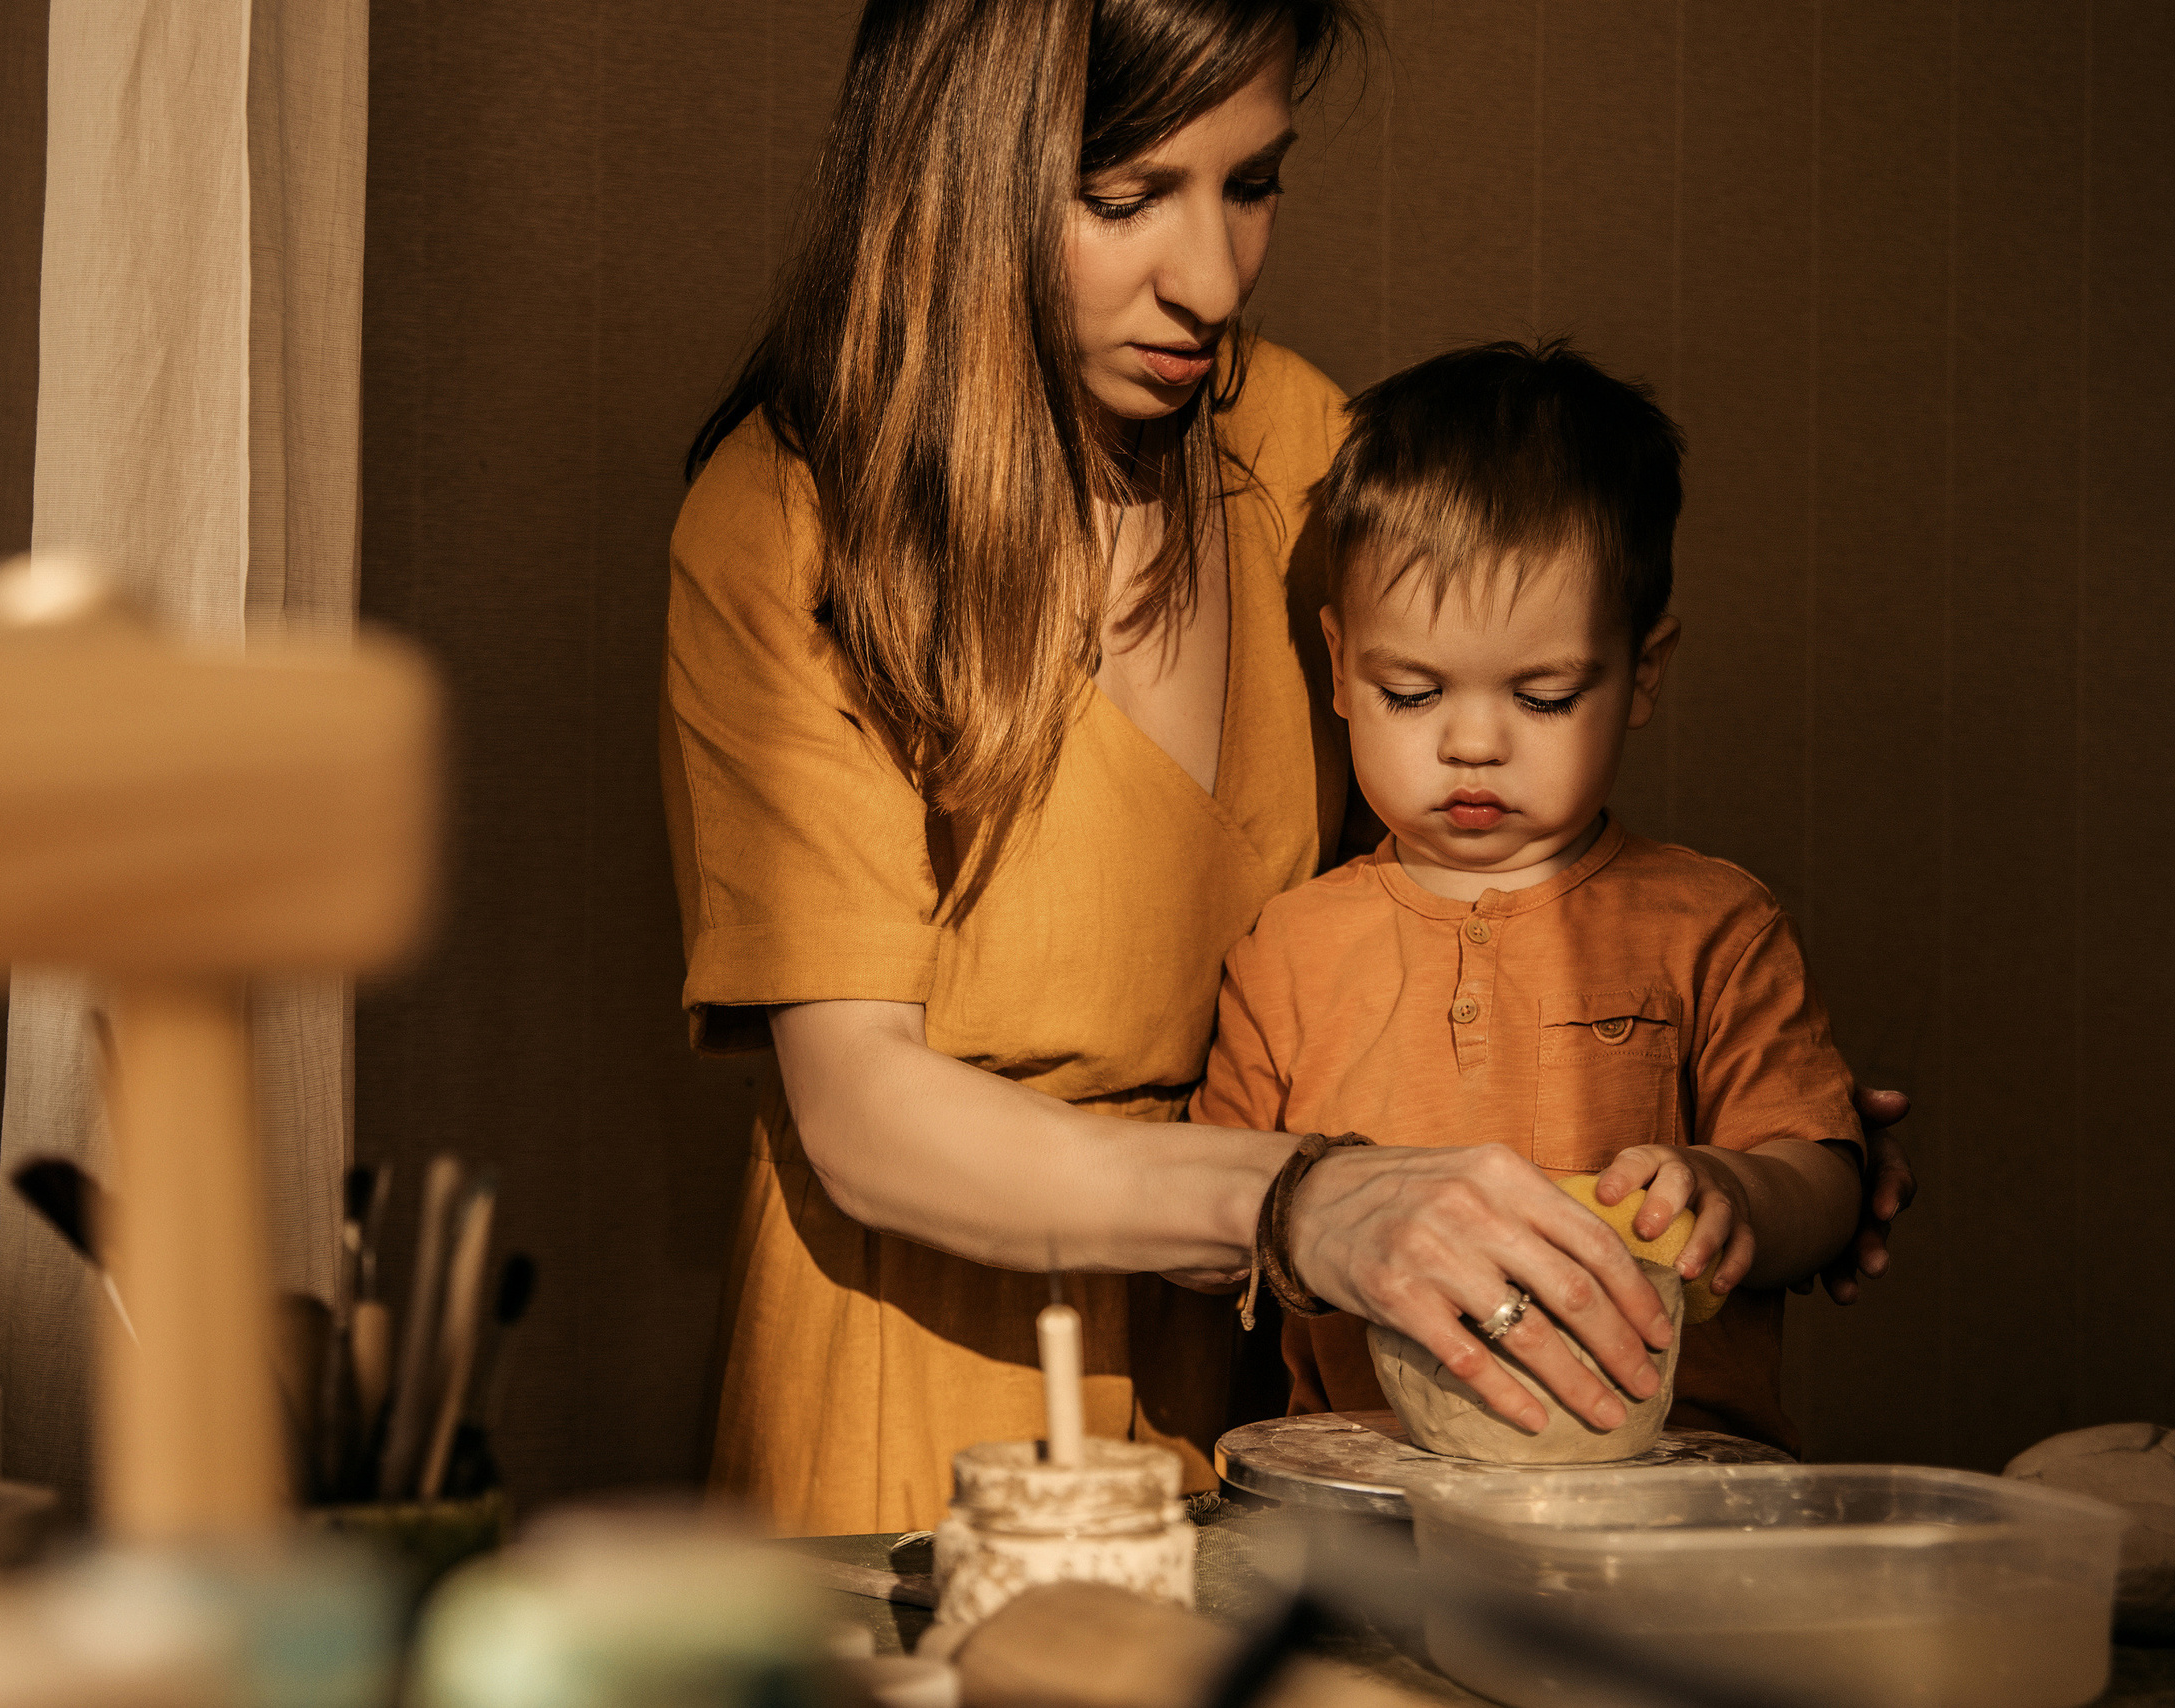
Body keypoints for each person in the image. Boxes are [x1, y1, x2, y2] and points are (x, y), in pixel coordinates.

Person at [662, 0, 1912, 1537]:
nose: (1212, 279)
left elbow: (1443, 885)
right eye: (1126, 197)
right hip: (922, 1379)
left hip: (1282, 1401)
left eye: (1252, 185)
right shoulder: (787, 524)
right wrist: (1301, 1201)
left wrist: (1763, 1152)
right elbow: (862, 1113)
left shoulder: (1297, 446)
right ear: (959, 173)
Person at [1193, 340, 1861, 1452]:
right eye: (1411, 691)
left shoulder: (1712, 925)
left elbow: (1829, 1184)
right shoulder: (1291, 945)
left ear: (1642, 671)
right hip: (1374, 1472)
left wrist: (1735, 1192)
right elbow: (1218, 1230)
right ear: (1339, 665)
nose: (1472, 743)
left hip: (1670, 1480)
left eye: (1542, 697)